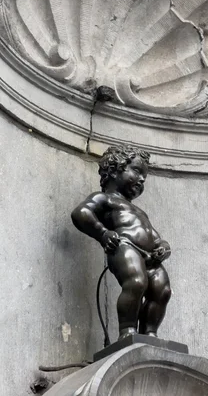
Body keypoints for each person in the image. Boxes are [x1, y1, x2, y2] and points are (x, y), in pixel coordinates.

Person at [71, 145, 172, 340]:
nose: (142, 179)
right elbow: (81, 213)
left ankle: (150, 333)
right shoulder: (105, 199)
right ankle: (127, 330)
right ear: (115, 169)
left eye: (145, 177)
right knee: (136, 282)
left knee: (162, 291)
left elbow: (156, 236)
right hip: (125, 246)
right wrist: (103, 234)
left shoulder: (139, 211)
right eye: (136, 171)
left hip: (151, 258)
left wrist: (164, 248)